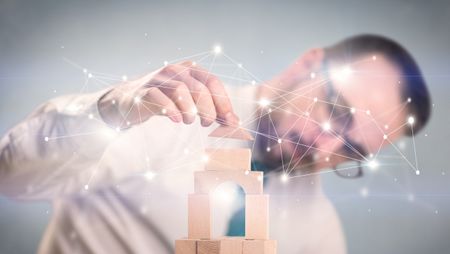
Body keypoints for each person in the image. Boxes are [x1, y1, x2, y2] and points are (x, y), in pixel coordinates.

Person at [0, 34, 430, 254]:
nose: (324, 146)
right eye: (336, 109)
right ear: (308, 64)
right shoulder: (167, 115)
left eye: (350, 151)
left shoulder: (318, 236)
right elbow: (12, 179)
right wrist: (114, 110)